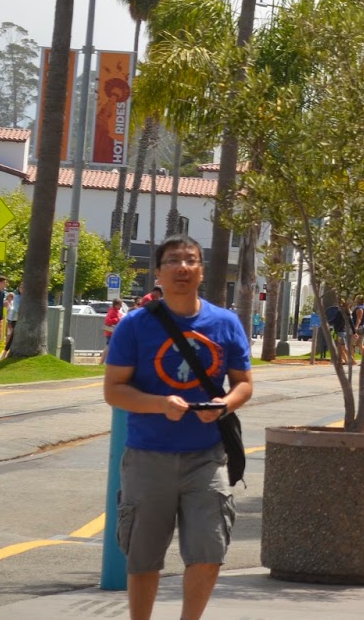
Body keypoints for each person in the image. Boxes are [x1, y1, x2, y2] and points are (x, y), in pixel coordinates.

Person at [103, 236, 253, 620]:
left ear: (201, 270)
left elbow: (243, 384)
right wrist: (160, 405)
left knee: (209, 551)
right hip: (147, 456)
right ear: (158, 272)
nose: (182, 267)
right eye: (172, 261)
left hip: (207, 457)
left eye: (191, 260)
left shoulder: (225, 323)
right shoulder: (135, 325)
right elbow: (114, 390)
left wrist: (223, 405)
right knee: (143, 558)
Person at [101, 299, 123, 363]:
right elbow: (107, 321)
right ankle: (103, 361)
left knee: (111, 347)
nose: (121, 306)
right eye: (120, 305)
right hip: (110, 332)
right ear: (115, 305)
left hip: (114, 332)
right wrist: (118, 319)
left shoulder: (116, 311)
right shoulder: (112, 311)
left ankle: (106, 361)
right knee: (109, 347)